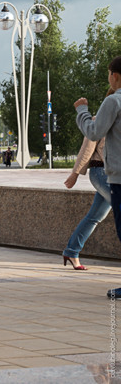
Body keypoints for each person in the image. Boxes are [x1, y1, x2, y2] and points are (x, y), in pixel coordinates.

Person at [75, 56, 121, 297]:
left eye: (108, 74)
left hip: (116, 176)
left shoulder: (113, 101)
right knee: (97, 215)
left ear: (114, 75)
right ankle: (72, 250)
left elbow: (94, 132)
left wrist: (82, 110)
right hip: (110, 173)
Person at [62, 90, 115, 270]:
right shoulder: (97, 120)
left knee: (95, 217)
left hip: (112, 175)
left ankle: (71, 251)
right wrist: (75, 174)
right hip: (101, 173)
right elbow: (87, 148)